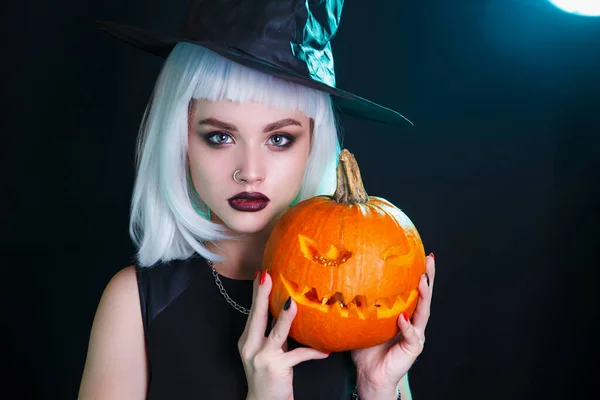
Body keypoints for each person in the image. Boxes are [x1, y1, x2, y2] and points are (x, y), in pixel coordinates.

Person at [78, 1, 436, 399]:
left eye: (279, 139)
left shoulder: (361, 299)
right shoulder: (135, 304)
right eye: (220, 136)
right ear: (180, 142)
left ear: (314, 146)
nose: (249, 170)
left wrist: (378, 387)